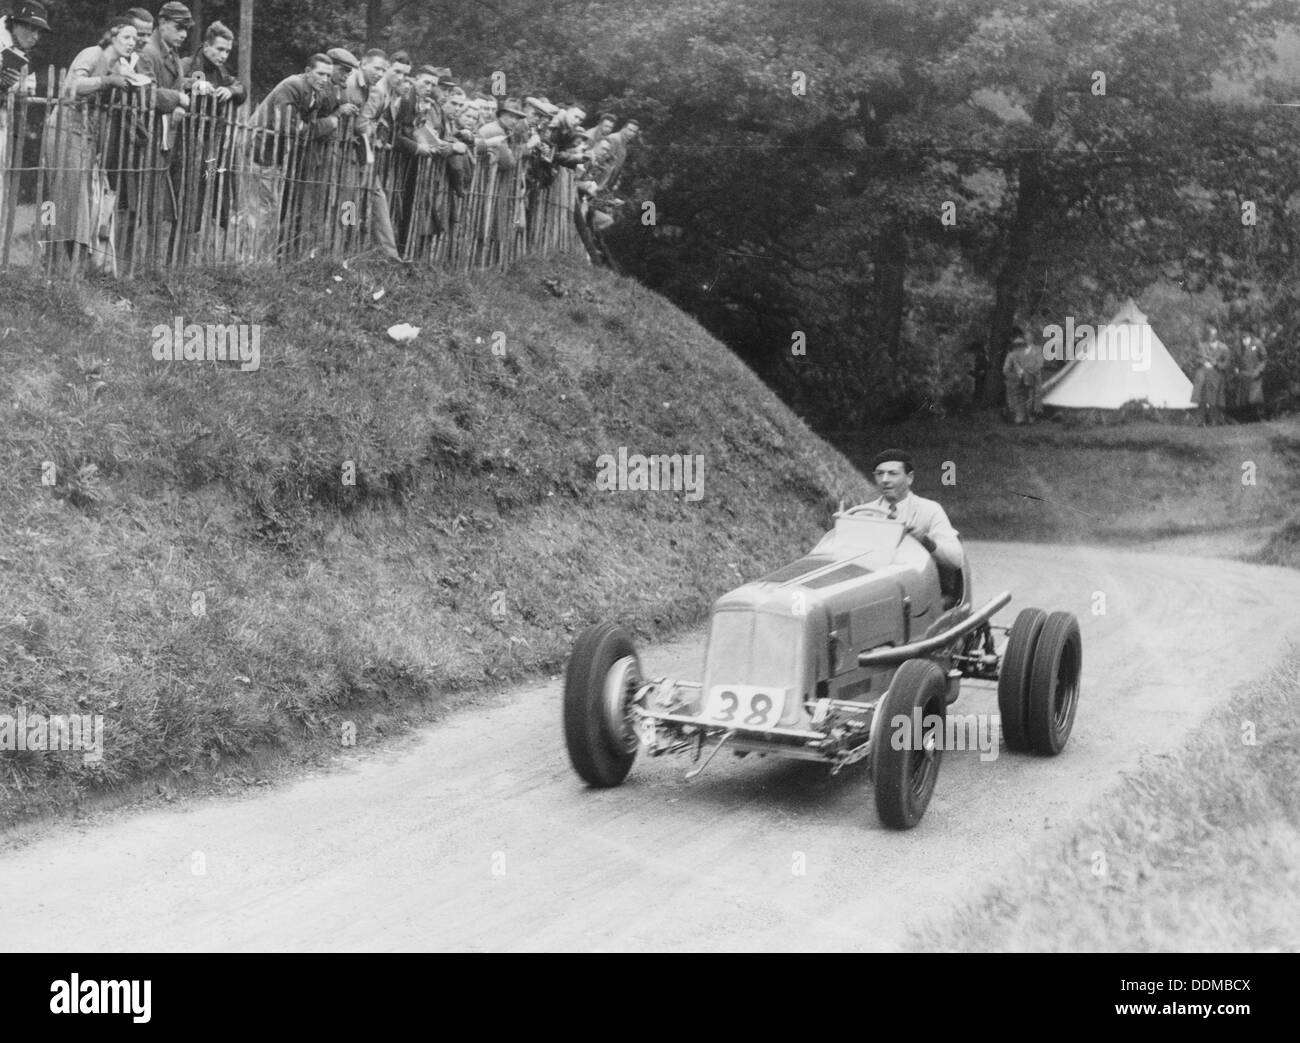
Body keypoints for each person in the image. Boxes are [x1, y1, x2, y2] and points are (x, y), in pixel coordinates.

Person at [41, 15, 136, 268]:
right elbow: (72, 85)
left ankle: (69, 263)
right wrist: (104, 82)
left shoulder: (118, 67)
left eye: (135, 39)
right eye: (126, 37)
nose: (131, 43)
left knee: (81, 200)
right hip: (64, 129)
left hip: (87, 136)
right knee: (60, 195)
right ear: (112, 35)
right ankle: (50, 256)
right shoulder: (93, 54)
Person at [243, 53, 338, 259]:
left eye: (328, 76)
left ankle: (260, 259)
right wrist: (329, 124)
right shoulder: (291, 86)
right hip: (261, 151)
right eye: (320, 73)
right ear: (307, 72)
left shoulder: (316, 93)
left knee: (270, 209)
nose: (325, 79)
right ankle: (251, 261)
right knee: (264, 209)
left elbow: (306, 126)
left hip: (278, 156)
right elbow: (291, 128)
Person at [133, 1, 195, 259]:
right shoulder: (148, 53)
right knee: (140, 203)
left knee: (159, 204)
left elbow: (177, 86)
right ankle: (134, 263)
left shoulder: (171, 55)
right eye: (179, 27)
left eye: (186, 29)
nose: (184, 34)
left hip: (163, 139)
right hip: (142, 136)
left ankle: (150, 263)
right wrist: (178, 99)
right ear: (163, 23)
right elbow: (147, 93)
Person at [857, 448, 964, 574]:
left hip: (916, 582)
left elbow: (956, 560)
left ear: (909, 478)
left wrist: (926, 541)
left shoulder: (930, 510)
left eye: (892, 473)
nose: (885, 479)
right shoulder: (863, 513)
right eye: (879, 474)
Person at [183, 21, 245, 233]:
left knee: (217, 177)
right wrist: (196, 85)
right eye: (220, 49)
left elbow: (239, 86)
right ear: (206, 46)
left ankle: (210, 226)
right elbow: (188, 84)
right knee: (193, 187)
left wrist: (232, 91)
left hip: (211, 139)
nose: (224, 55)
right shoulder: (194, 66)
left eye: (228, 50)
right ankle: (191, 230)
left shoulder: (219, 71)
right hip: (188, 137)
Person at [1, 0, 49, 243]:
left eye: (39, 31)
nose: (35, 36)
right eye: (30, 28)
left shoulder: (17, 51)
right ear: (14, 23)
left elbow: (22, 89)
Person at [1001, 327, 1043, 424]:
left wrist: (1014, 378)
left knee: (1017, 399)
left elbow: (1005, 370)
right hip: (1026, 380)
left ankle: (1020, 419)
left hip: (1016, 381)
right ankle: (1026, 419)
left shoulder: (1011, 355)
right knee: (1026, 399)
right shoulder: (1026, 355)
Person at [1239, 332, 1267, 421]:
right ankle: (1249, 419)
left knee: (1257, 397)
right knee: (1245, 398)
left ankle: (1262, 418)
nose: (1244, 341)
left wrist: (1259, 370)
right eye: (1243, 339)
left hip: (1256, 374)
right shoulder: (1239, 346)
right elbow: (1237, 359)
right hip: (1244, 375)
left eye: (1246, 339)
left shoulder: (1257, 343)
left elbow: (1264, 358)